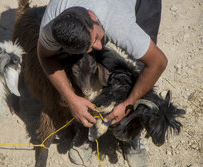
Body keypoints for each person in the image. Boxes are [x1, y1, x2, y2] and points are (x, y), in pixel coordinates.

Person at [37, 0, 166, 166]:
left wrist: (129, 103)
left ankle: (131, 129)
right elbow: (46, 57)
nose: (99, 45)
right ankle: (88, 124)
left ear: (92, 16)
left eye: (97, 37)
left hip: (135, 5)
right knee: (83, 65)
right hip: (97, 18)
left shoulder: (119, 24)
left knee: (137, 65)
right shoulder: (52, 25)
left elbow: (158, 62)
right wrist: (71, 99)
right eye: (91, 45)